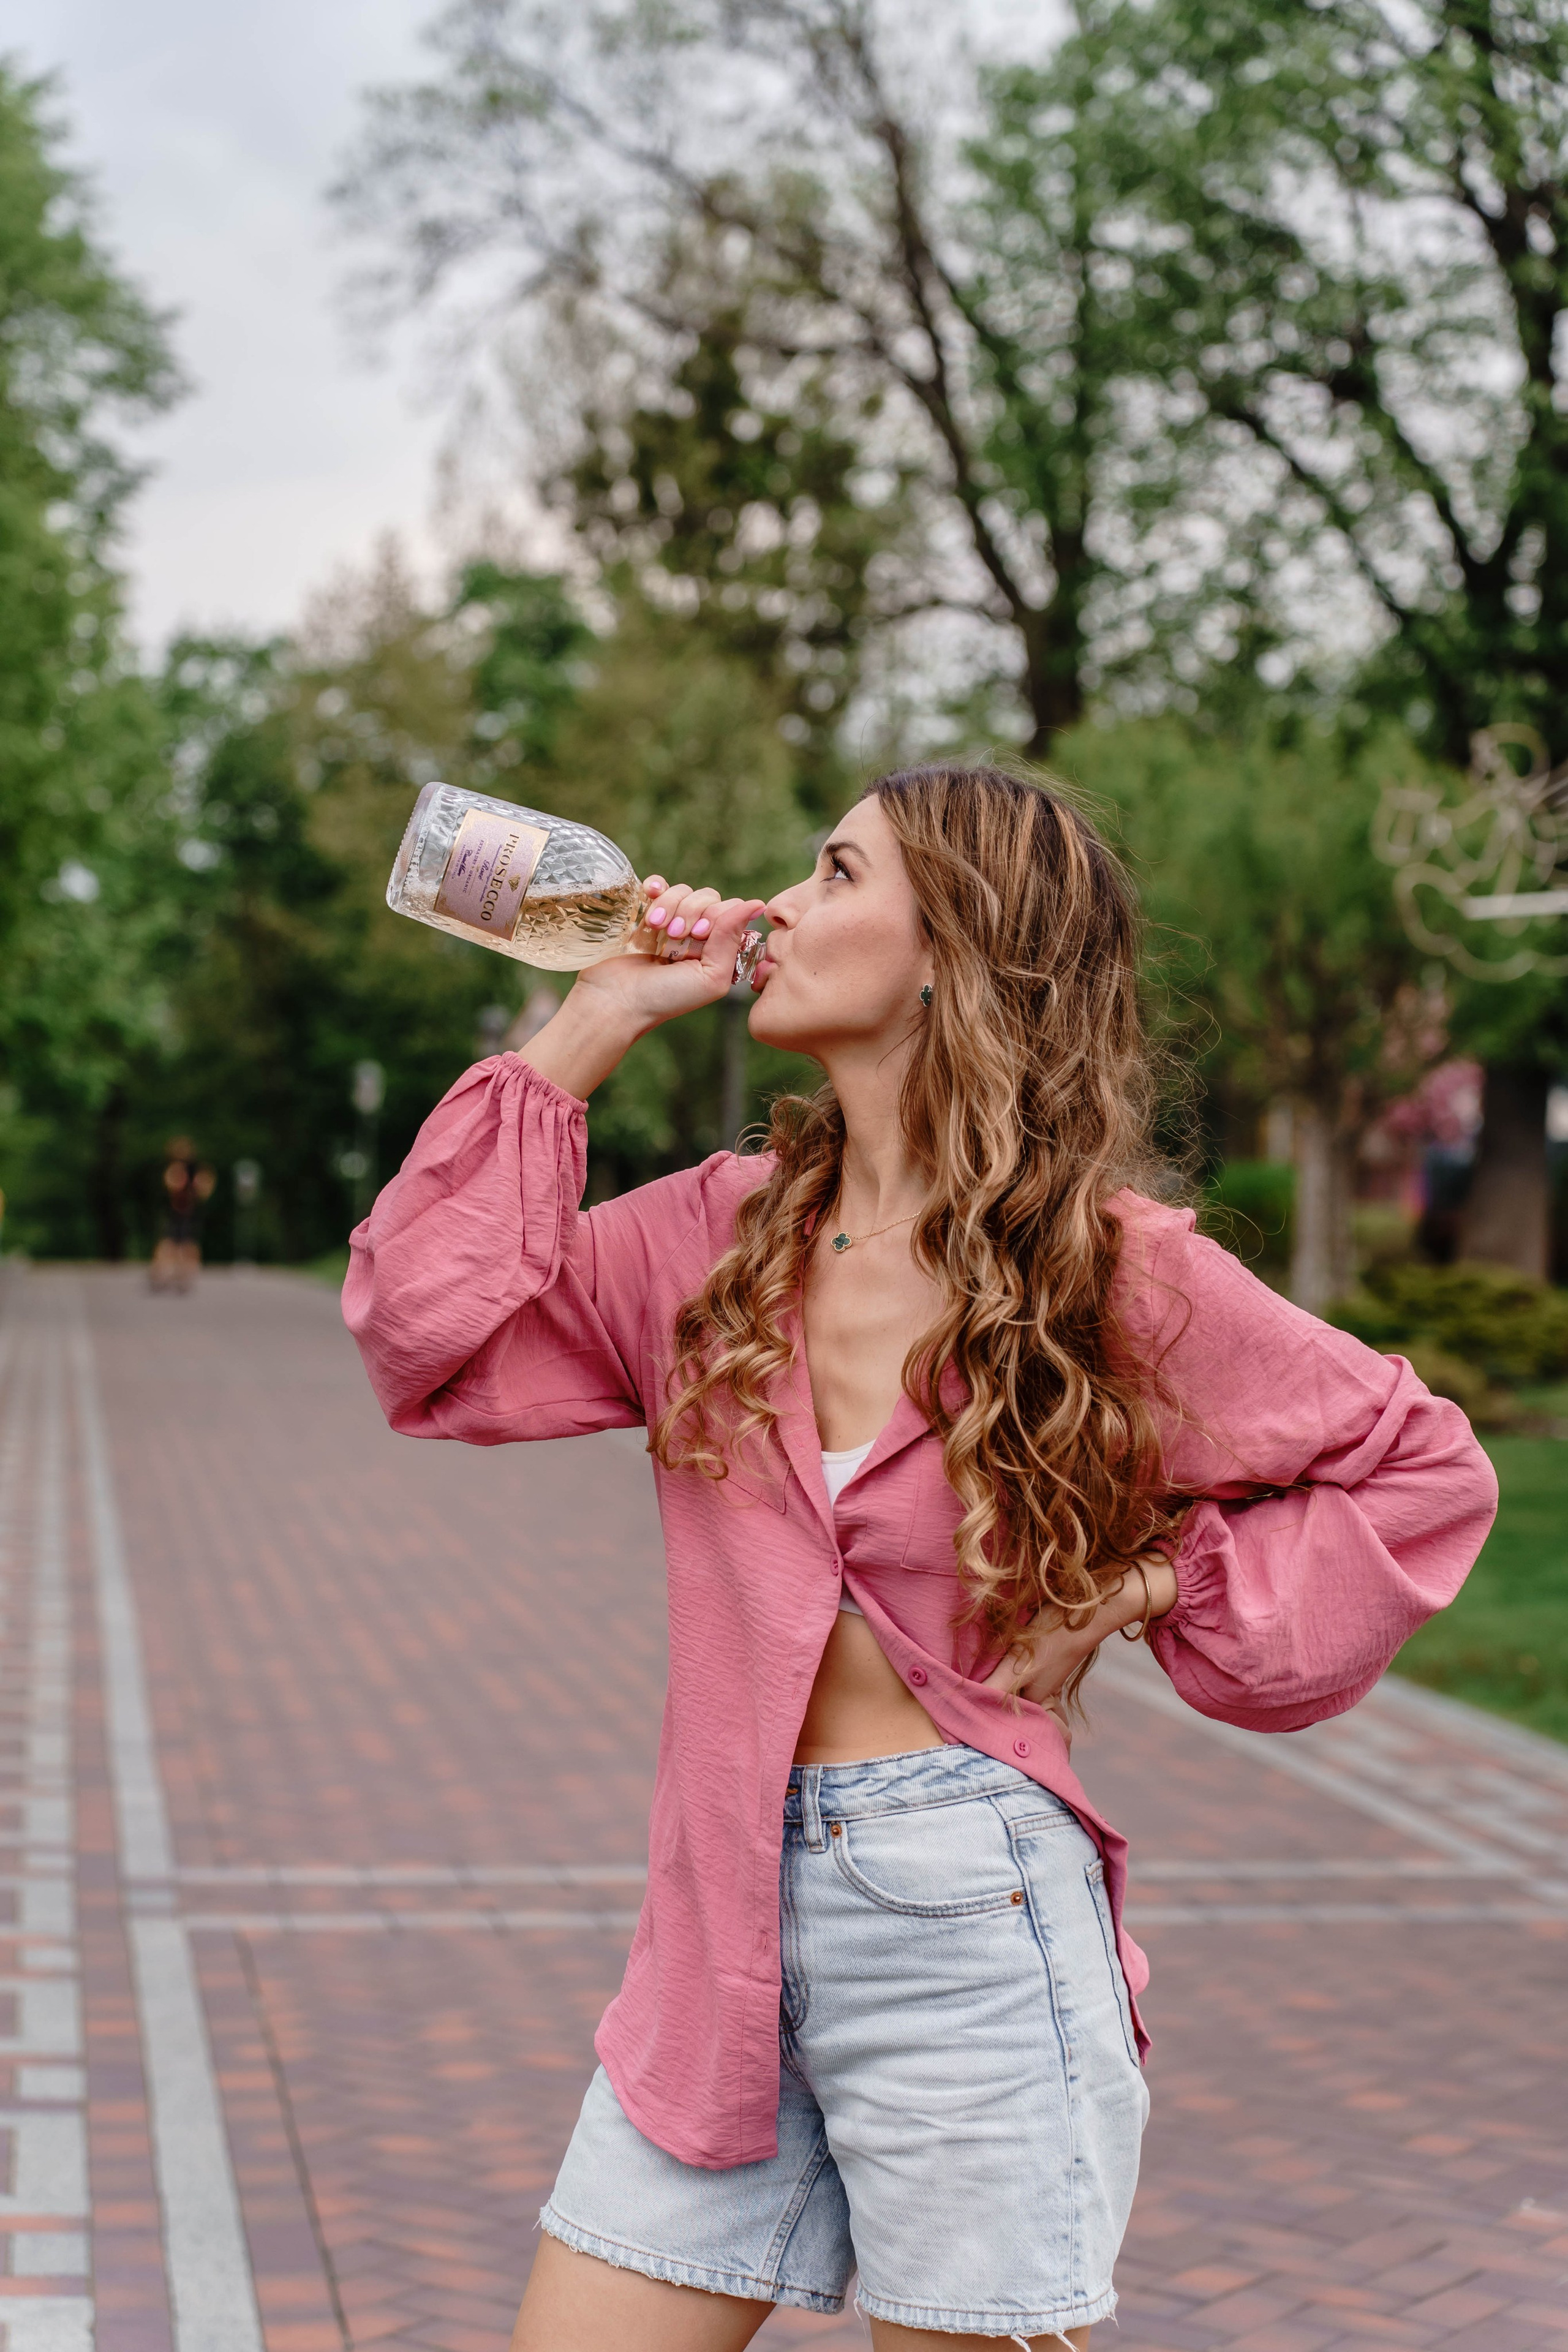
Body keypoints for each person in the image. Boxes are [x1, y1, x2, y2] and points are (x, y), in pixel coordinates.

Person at [344, 764, 1496, 2352]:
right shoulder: (711, 1238)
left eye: (835, 873)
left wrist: (1153, 1586)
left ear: (955, 948)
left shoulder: (1108, 1270)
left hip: (969, 1926)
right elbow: (424, 1336)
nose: (779, 904)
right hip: (715, 1941)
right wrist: (595, 1014)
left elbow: (1424, 1470)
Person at [149, 1137, 216, 1294]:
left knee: (185, 1244)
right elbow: (173, 1187)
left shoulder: (194, 1170)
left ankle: (182, 1275)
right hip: (176, 1211)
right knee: (172, 1243)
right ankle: (165, 1273)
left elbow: (204, 1188)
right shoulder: (176, 1169)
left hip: (187, 1211)